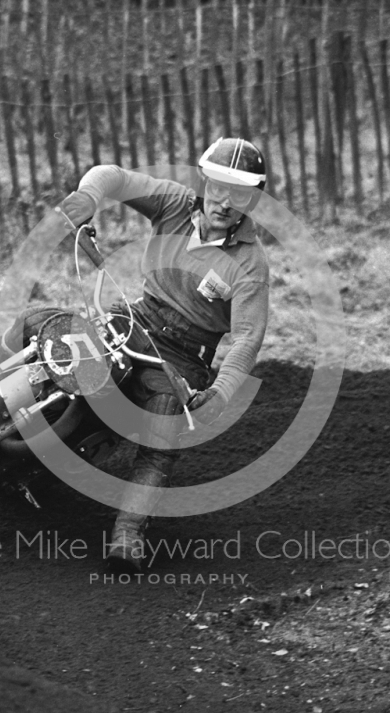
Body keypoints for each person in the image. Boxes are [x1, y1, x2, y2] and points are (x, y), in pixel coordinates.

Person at [60, 137, 270, 573]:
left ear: (253, 198)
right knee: (52, 334)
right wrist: (88, 196)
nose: (226, 202)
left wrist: (222, 390)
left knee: (163, 423)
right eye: (219, 187)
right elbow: (113, 177)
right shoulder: (173, 204)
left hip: (184, 357)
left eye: (240, 194)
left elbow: (247, 338)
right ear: (205, 182)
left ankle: (128, 534)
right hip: (138, 319)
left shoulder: (251, 265)